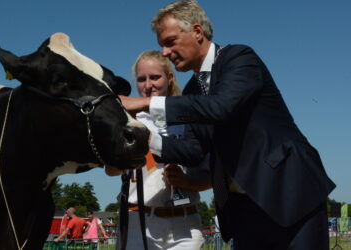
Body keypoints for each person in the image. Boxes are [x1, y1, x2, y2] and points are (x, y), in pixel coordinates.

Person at [119, 1, 336, 249]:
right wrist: (144, 137)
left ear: (197, 32)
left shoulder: (239, 58)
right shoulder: (192, 89)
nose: (166, 52)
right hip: (242, 208)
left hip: (289, 192)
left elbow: (221, 107)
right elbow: (193, 150)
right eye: (162, 46)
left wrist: (145, 102)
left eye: (170, 42)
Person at [106, 50, 209, 249]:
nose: (148, 85)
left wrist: (189, 181)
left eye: (155, 77)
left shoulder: (189, 119)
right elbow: (111, 171)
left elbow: (212, 176)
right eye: (141, 79)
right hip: (137, 222)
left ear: (169, 78)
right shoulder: (128, 122)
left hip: (184, 225)